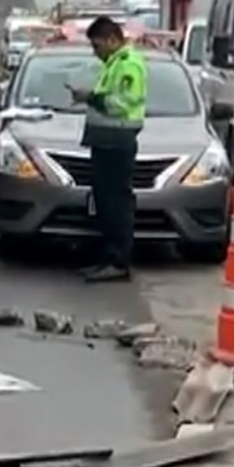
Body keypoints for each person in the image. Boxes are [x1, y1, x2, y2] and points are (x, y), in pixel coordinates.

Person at [67, 16, 148, 282]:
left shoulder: (128, 65)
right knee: (104, 201)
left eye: (97, 45)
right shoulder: (113, 64)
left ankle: (118, 260)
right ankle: (107, 258)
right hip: (105, 141)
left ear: (112, 39)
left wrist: (89, 97)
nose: (95, 52)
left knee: (116, 203)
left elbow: (121, 103)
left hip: (118, 141)